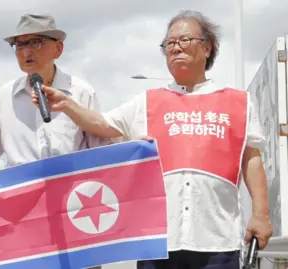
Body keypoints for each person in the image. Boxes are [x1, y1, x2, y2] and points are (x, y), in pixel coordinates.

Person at [32, 10, 273, 269]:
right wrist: (67, 104)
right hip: (157, 241)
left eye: (183, 40)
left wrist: (261, 215)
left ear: (207, 47)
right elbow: (102, 125)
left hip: (218, 240)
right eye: (169, 44)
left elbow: (252, 159)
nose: (175, 48)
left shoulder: (238, 102)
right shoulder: (147, 102)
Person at [0, 13, 109, 269]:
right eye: (19, 44)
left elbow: (101, 153)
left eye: (35, 42)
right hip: (23, 213)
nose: (26, 51)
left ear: (58, 48)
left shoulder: (81, 92)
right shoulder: (6, 96)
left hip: (74, 209)